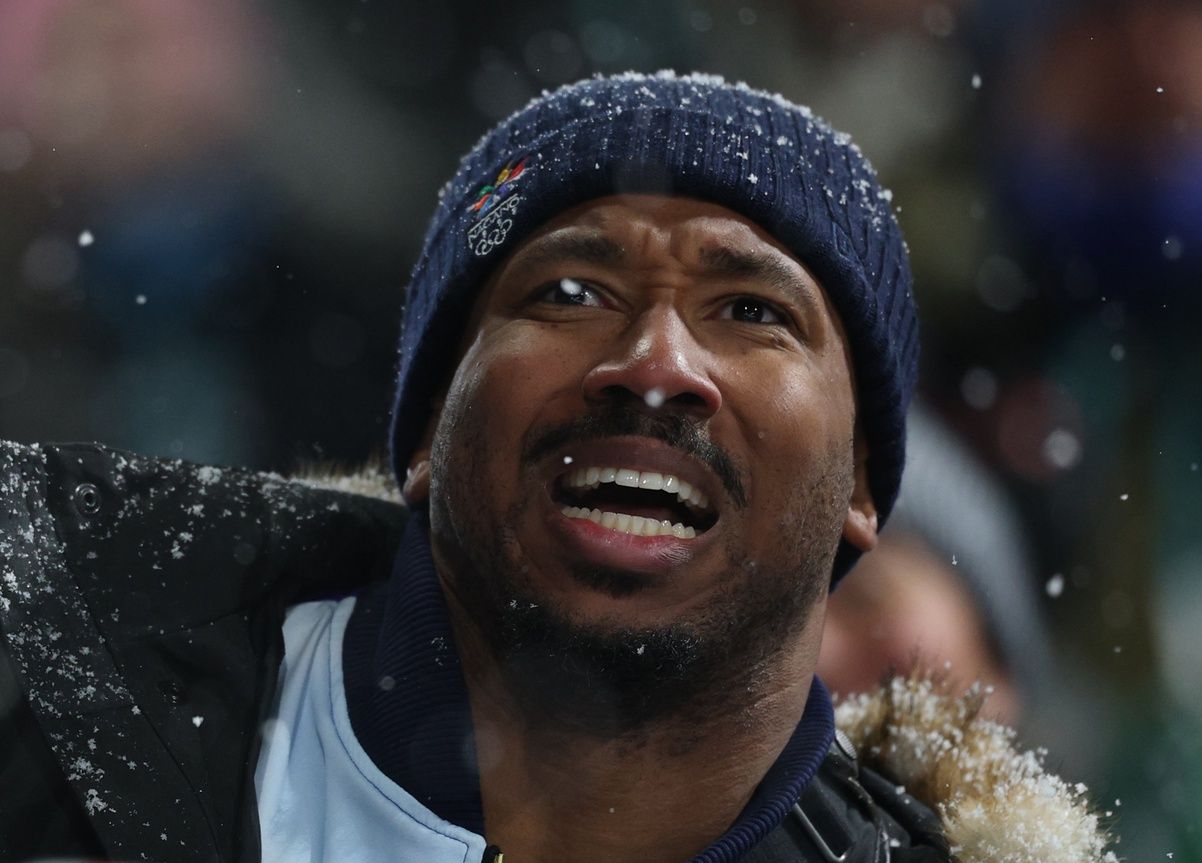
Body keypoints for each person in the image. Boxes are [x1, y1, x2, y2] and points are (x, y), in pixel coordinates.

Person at [0, 73, 1115, 863]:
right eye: (569, 292)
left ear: (865, 486)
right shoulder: (42, 669)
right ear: (428, 426)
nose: (656, 364)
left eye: (750, 309)